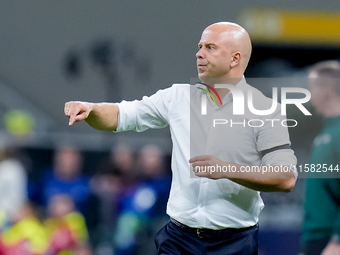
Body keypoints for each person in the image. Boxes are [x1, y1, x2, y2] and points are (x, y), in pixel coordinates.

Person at [64, 22, 297, 255]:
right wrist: (91, 108)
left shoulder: (266, 110)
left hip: (234, 243)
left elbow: (285, 178)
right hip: (179, 239)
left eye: (210, 47)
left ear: (235, 59)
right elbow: (121, 115)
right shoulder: (177, 97)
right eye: (200, 46)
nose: (199, 53)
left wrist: (227, 169)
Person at [299, 61, 340, 255]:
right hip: (315, 239)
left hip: (330, 240)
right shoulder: (325, 133)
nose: (310, 96)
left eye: (311, 89)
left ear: (325, 91)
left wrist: (336, 240)